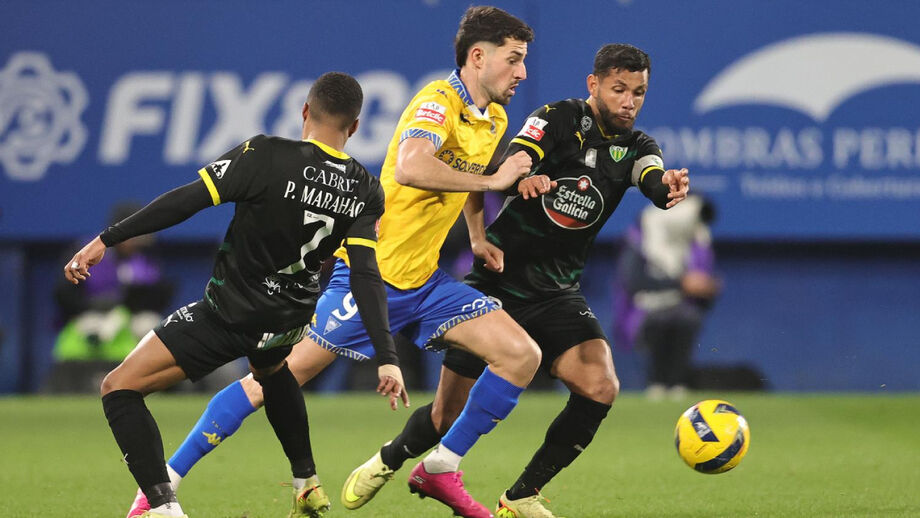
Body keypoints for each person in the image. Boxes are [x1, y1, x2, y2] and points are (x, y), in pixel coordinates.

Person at [126, 7, 536, 518]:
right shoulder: (437, 101)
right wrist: (496, 182)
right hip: (369, 277)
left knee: (521, 355)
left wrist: (476, 235)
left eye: (523, 61)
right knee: (270, 381)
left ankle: (440, 469)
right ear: (478, 56)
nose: (521, 72)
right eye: (513, 59)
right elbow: (410, 165)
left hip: (425, 281)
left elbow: (469, 178)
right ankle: (162, 484)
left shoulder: (493, 117)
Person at [343, 43, 691, 518]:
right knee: (445, 416)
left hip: (557, 292)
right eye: (618, 89)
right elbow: (508, 163)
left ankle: (521, 495)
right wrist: (518, 181)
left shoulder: (637, 147)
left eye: (639, 92)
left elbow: (649, 178)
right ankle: (390, 458)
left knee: (600, 384)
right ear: (594, 85)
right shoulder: (556, 119)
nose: (629, 100)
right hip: (498, 282)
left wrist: (666, 187)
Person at [66, 71, 406, 518]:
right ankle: (307, 483)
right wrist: (387, 355)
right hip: (291, 319)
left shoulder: (264, 154)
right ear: (355, 127)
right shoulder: (366, 186)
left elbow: (187, 200)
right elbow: (365, 274)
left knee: (118, 388)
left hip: (231, 314)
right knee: (271, 368)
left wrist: (106, 240)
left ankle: (162, 508)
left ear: (305, 111)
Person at [614, 193, 720, 400]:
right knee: (661, 320)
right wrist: (681, 283)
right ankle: (657, 383)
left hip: (682, 307)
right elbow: (633, 282)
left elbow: (704, 289)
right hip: (644, 309)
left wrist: (706, 287)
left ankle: (677, 382)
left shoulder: (695, 241)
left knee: (686, 319)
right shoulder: (640, 238)